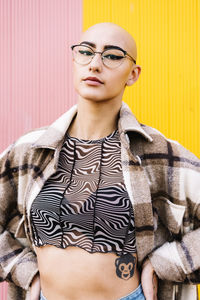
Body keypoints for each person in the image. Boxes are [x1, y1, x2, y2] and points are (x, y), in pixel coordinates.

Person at [0, 22, 200, 300]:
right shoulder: (29, 150)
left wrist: (164, 263)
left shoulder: (158, 153)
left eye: (113, 55)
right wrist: (23, 270)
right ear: (74, 61)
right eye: (86, 52)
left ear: (133, 74)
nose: (95, 64)